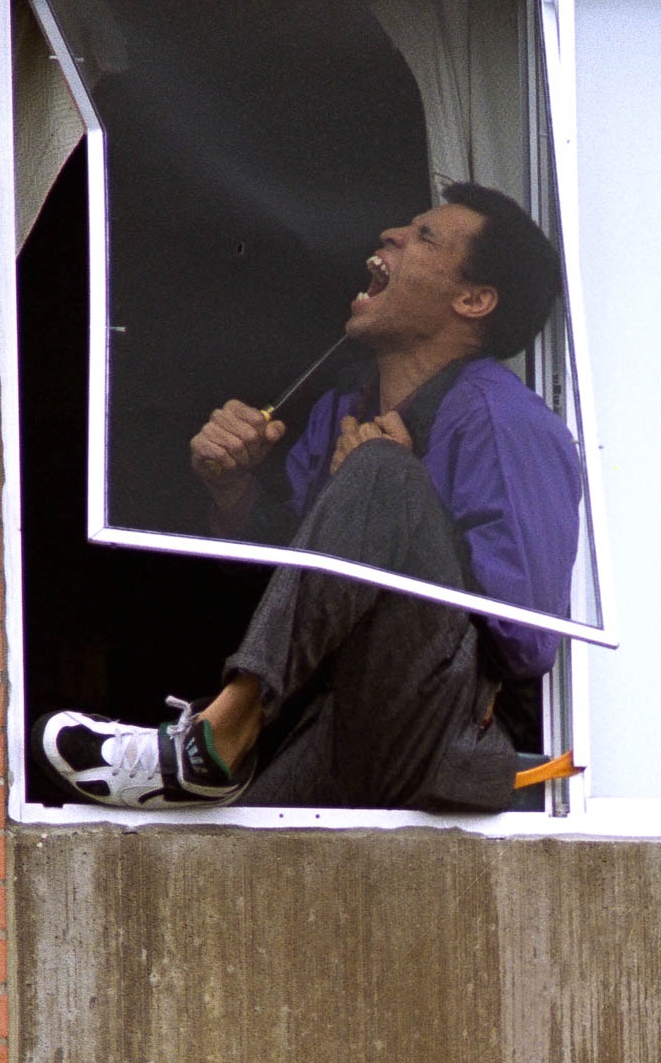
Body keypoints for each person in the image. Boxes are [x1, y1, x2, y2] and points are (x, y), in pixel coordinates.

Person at [33, 183, 582, 812]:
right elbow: (293, 600)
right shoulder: (339, 410)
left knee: (383, 476)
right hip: (331, 729)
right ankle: (211, 750)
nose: (391, 236)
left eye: (424, 235)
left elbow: (530, 641)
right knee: (206, 847)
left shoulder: (505, 419)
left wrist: (396, 495)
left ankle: (214, 736)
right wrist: (233, 491)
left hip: (444, 742)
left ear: (473, 299)